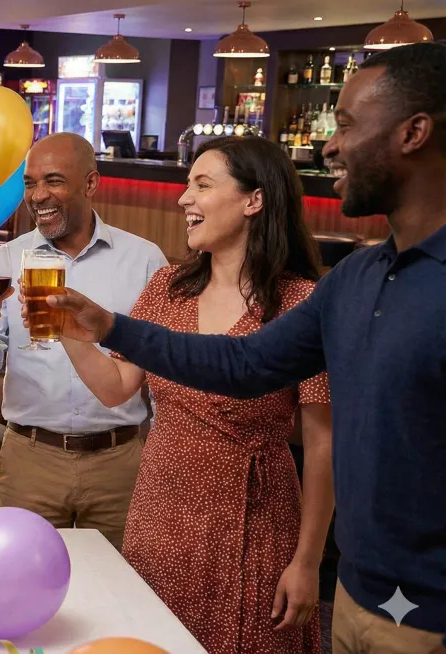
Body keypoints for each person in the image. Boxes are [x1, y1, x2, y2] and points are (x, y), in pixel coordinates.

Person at [42, 43, 446, 654]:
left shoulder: (308, 292)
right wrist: (100, 328)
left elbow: (324, 438)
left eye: (346, 125)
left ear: (413, 133)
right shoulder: (355, 280)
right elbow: (241, 363)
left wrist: (307, 559)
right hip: (343, 585)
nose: (329, 147)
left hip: (321, 557)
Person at [56, 135, 333, 653]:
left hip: (254, 522)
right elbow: (116, 388)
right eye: (187, 185)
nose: (184, 198)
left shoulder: (301, 302)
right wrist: (68, 333)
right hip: (161, 511)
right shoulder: (168, 287)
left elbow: (323, 445)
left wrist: (307, 561)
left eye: (202, 185)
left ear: (254, 200)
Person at [0, 132, 168, 551]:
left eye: (53, 181)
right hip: (30, 460)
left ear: (90, 183)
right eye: (30, 183)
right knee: (23, 579)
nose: (38, 196)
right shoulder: (6, 260)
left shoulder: (144, 261)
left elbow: (163, 371)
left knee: (119, 584)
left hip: (119, 463)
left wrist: (161, 462)